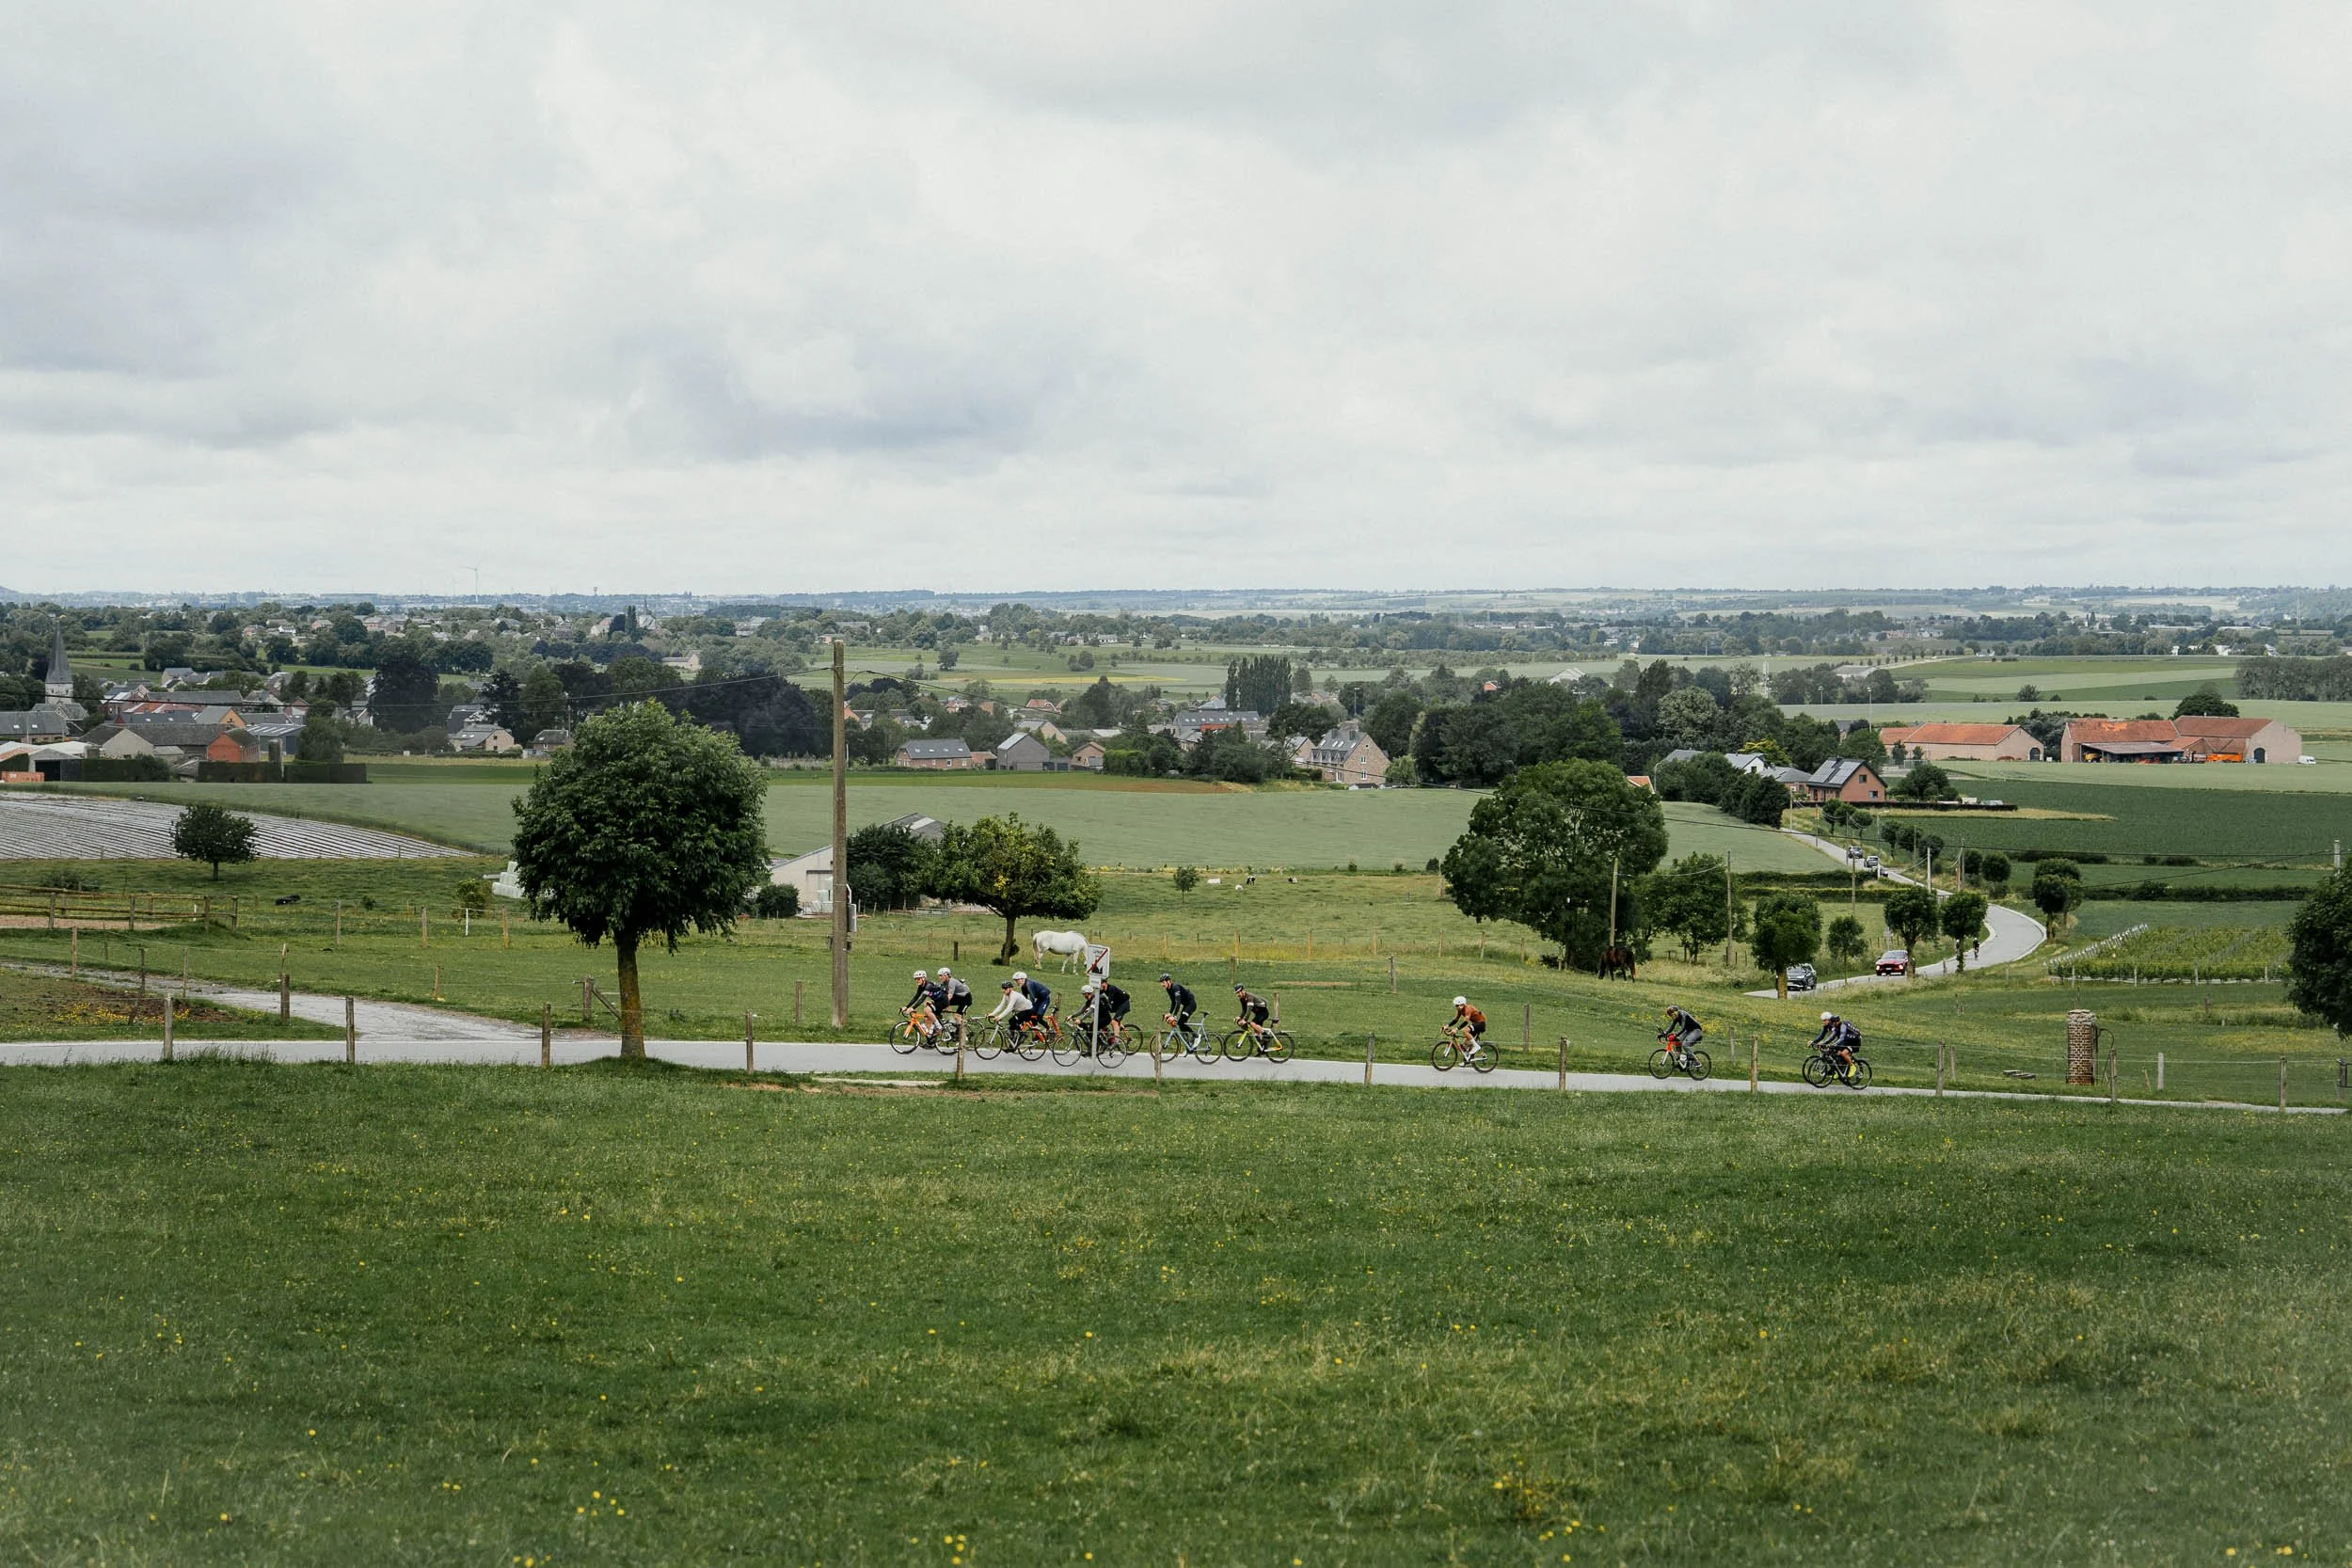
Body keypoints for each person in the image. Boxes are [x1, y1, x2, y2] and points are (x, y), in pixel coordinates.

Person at [1449, 995, 1487, 1062]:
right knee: (1466, 1043)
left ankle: (1476, 1047)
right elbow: (1455, 1020)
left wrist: (1456, 1029)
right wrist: (1446, 1026)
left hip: (1481, 1023)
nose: (1457, 1007)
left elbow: (1466, 1021)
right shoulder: (1460, 1010)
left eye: (1458, 1005)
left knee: (1465, 1030)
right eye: (1456, 1006)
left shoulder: (1468, 1008)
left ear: (1462, 1004)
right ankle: (1467, 1060)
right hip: (1475, 1024)